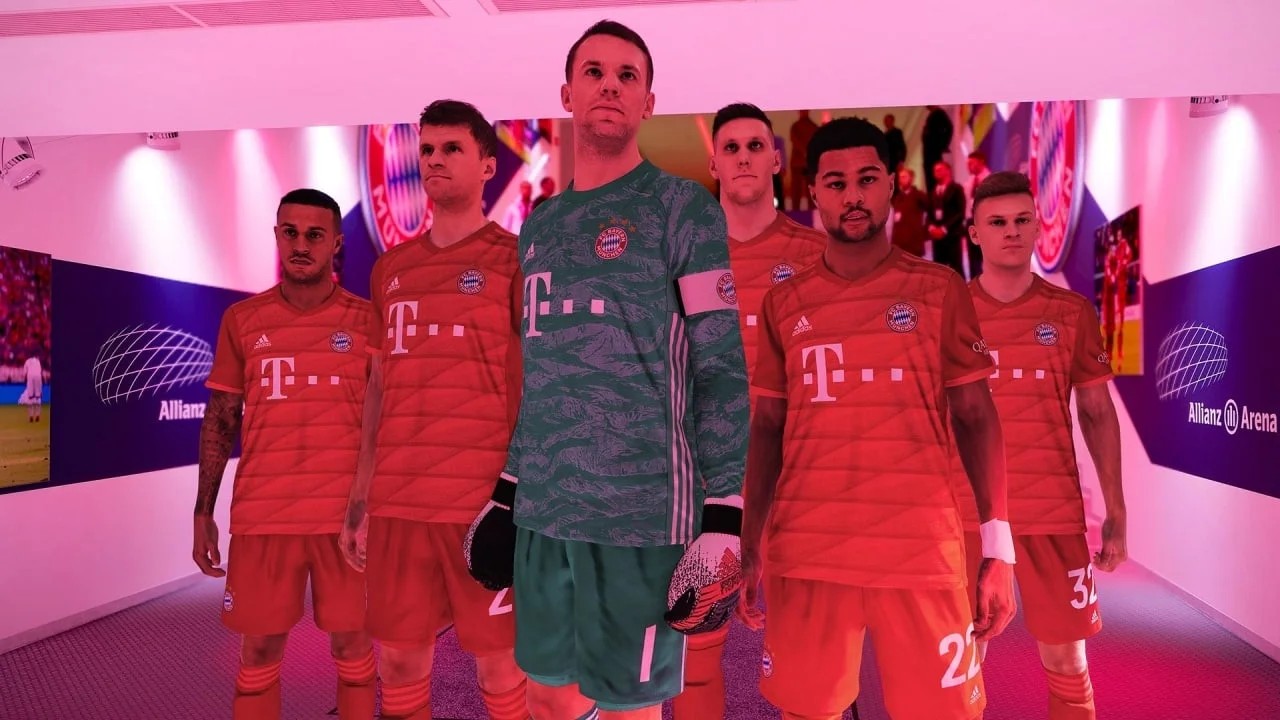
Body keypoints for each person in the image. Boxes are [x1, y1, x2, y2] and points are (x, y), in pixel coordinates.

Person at [463, 20, 750, 720]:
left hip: (641, 516)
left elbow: (720, 365)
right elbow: (543, 374)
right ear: (567, 93)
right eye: (594, 72)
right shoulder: (540, 227)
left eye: (628, 76)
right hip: (544, 512)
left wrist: (724, 511)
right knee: (547, 698)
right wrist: (506, 491)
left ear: (649, 101)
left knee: (628, 708)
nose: (610, 86)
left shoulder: (684, 209)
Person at [738, 117, 1018, 720]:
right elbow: (766, 427)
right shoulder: (783, 303)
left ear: (892, 184)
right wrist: (750, 541)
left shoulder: (940, 290)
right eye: (836, 183)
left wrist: (999, 548)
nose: (853, 196)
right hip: (808, 553)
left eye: (867, 179)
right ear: (814, 192)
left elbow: (976, 415)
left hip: (920, 554)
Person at [338, 100, 530, 720]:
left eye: (452, 149)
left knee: (501, 668)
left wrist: (526, 496)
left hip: (483, 505)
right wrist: (360, 498)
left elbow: (540, 386)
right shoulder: (390, 269)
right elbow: (378, 387)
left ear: (487, 165)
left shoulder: (516, 260)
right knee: (398, 668)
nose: (435, 160)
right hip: (399, 505)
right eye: (426, 149)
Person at [194, 188, 375, 720]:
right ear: (276, 235)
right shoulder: (242, 319)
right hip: (264, 516)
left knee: (354, 649)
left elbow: (385, 424)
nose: (301, 245)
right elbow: (221, 418)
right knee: (257, 653)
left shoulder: (369, 321)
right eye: (290, 232)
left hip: (345, 521)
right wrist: (203, 510)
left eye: (315, 235)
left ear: (335, 243)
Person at [673, 100, 826, 720]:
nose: (742, 158)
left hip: (795, 485)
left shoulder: (816, 254)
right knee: (697, 657)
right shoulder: (683, 256)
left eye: (754, 146)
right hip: (704, 485)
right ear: (713, 163)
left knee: (804, 672)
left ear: (776, 159)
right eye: (730, 148)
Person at [957, 171, 1127, 720]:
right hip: (969, 518)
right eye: (997, 222)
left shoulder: (1072, 312)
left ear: (1037, 228)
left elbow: (1097, 412)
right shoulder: (947, 313)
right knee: (961, 670)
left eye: (1021, 220)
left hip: (1053, 513)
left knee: (1069, 666)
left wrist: (1117, 510)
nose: (1011, 231)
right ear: (974, 234)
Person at [21, 353, 42, 422]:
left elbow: (24, 373)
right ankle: (38, 415)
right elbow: (40, 372)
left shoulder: (27, 361)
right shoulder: (38, 361)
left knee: (30, 397)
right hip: (38, 377)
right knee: (38, 396)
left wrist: (25, 381)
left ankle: (31, 416)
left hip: (30, 377)